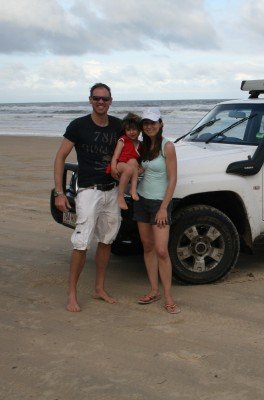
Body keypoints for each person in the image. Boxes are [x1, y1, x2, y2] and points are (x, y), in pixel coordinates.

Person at [53, 83, 123, 312]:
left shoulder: (118, 126)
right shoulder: (78, 126)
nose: (100, 102)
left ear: (111, 100)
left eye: (104, 99)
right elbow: (60, 158)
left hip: (111, 191)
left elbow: (132, 149)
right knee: (81, 243)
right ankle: (72, 294)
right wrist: (60, 193)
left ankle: (99, 288)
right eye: (96, 98)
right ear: (90, 100)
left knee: (106, 241)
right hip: (88, 191)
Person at [133, 107, 180, 314]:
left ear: (160, 124)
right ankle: (154, 290)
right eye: (146, 123)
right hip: (141, 201)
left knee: (161, 251)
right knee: (148, 247)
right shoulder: (143, 147)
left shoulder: (167, 146)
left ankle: (169, 297)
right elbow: (143, 170)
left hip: (160, 204)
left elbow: (172, 179)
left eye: (153, 122)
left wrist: (163, 208)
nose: (149, 126)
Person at [108, 113, 142, 210]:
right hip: (119, 165)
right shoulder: (123, 140)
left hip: (130, 167)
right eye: (128, 130)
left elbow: (139, 162)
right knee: (129, 168)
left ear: (139, 130)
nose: (131, 132)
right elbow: (115, 156)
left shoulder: (140, 144)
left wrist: (141, 169)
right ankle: (120, 195)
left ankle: (132, 190)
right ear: (125, 130)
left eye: (134, 129)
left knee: (134, 162)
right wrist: (113, 168)